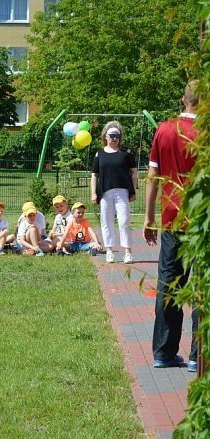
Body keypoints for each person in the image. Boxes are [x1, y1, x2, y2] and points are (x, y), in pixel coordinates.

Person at [144, 80, 199, 372]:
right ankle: (198, 356)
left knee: (169, 284)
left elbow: (153, 176)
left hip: (172, 219)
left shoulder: (165, 129)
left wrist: (149, 217)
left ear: (183, 99)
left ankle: (164, 352)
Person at [91, 121, 138, 264]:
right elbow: (94, 175)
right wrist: (93, 193)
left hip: (122, 192)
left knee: (124, 221)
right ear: (105, 136)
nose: (114, 138)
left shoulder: (126, 153)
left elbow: (134, 173)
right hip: (105, 193)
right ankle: (109, 251)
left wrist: (133, 191)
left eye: (117, 136)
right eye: (111, 136)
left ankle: (128, 252)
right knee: (106, 222)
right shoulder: (100, 154)